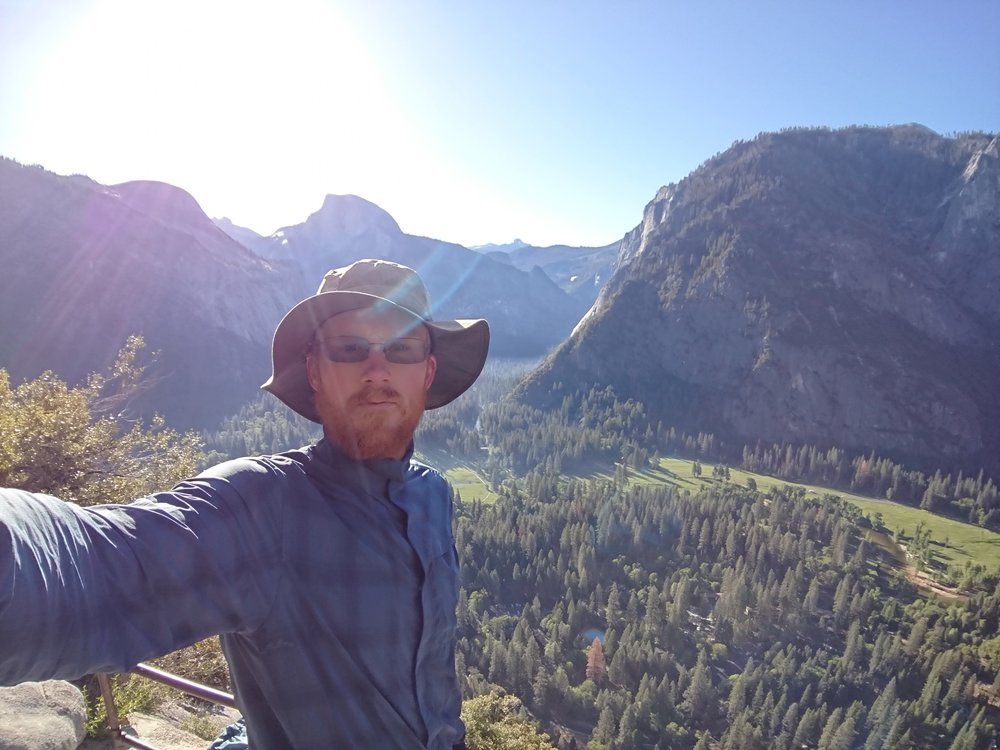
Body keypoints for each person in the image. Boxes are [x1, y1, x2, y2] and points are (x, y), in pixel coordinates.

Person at [0, 258, 490, 750]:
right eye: (349, 348)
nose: (377, 370)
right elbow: (94, 562)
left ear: (427, 372)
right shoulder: (258, 509)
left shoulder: (433, 494)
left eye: (402, 347)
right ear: (315, 371)